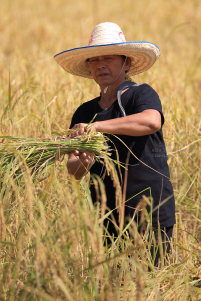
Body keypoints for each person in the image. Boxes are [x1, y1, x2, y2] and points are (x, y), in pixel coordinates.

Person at [54, 22, 175, 265]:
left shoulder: (141, 95)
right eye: (94, 59)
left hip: (149, 212)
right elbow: (75, 171)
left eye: (109, 58)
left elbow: (151, 122)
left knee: (149, 283)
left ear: (126, 63)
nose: (100, 64)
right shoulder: (84, 112)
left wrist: (96, 128)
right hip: (107, 214)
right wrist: (83, 160)